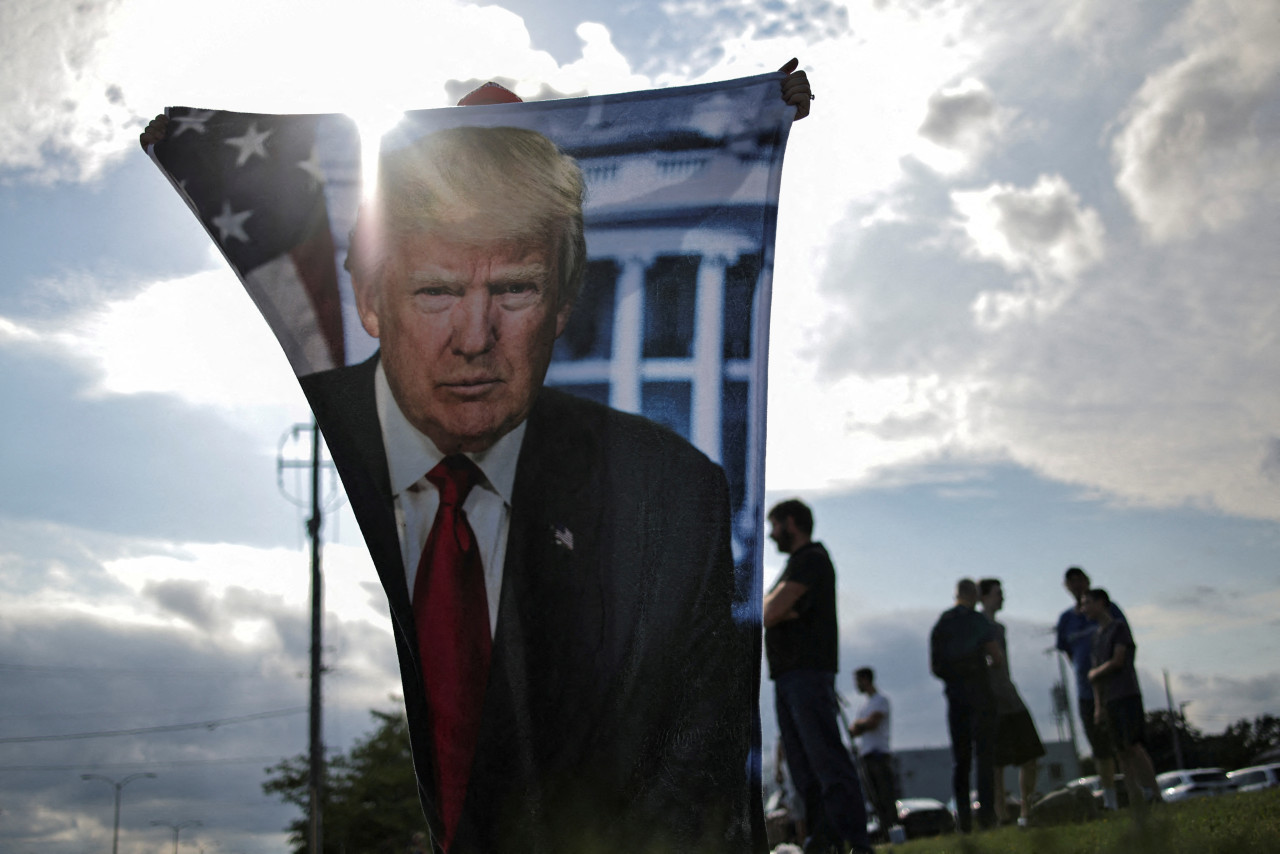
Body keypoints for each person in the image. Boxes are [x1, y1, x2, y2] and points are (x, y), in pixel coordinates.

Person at [140, 63, 814, 854]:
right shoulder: (357, 424)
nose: (473, 338)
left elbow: (692, 745)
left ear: (563, 303)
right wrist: (196, 152)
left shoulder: (667, 491)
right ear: (369, 299)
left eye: (517, 291)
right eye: (434, 293)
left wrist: (766, 117)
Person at [764, 499, 874, 854]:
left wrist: (780, 608)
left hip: (807, 673)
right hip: (788, 676)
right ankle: (823, 841)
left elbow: (768, 611)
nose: (771, 534)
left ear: (792, 523)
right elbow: (773, 610)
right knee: (803, 766)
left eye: (775, 525)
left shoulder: (812, 559)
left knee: (826, 759)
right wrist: (780, 609)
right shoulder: (794, 566)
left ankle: (855, 840)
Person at [929, 578, 1002, 832]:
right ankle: (987, 816)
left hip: (955, 695)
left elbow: (935, 667)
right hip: (980, 694)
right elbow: (996, 656)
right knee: (984, 755)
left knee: (961, 760)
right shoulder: (978, 621)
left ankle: (964, 820)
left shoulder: (942, 623)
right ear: (974, 596)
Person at [1084, 588, 1163, 809]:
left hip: (1127, 694)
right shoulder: (1096, 637)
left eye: (1088, 603)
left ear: (1101, 603)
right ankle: (1135, 798)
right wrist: (1098, 706)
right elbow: (1096, 679)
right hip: (1109, 700)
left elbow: (1118, 660)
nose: (1084, 608)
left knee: (1134, 745)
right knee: (1120, 751)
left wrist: (1094, 673)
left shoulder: (1118, 629)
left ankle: (1154, 792)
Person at [1056, 566, 1125, 810]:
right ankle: (1110, 799)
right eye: (1071, 582)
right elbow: (1067, 652)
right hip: (1086, 691)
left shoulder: (1109, 609)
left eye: (1079, 580)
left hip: (1115, 688)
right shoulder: (1066, 620)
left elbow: (1123, 640)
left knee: (1125, 744)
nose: (1076, 586)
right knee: (1100, 748)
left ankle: (1139, 791)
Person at [977, 578, 1046, 826]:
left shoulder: (1000, 628)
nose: (1002, 597)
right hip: (991, 702)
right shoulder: (976, 625)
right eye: (998, 593)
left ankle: (1026, 811)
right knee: (996, 763)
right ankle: (1002, 816)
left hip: (1010, 696)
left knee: (1030, 755)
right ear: (983, 596)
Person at [848, 667, 896, 837]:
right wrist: (862, 724)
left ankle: (892, 829)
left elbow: (872, 723)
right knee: (874, 798)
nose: (856, 685)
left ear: (866, 680)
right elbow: (855, 730)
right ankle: (884, 830)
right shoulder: (864, 706)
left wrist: (861, 725)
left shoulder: (880, 700)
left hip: (879, 754)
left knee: (885, 795)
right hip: (866, 755)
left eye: (858, 681)